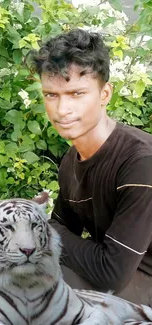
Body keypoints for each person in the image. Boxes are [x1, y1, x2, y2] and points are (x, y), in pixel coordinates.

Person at [33, 28, 152, 306]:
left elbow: (111, 273)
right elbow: (62, 229)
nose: (62, 109)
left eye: (76, 93)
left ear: (104, 94)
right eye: (51, 95)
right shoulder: (71, 160)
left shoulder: (141, 163)